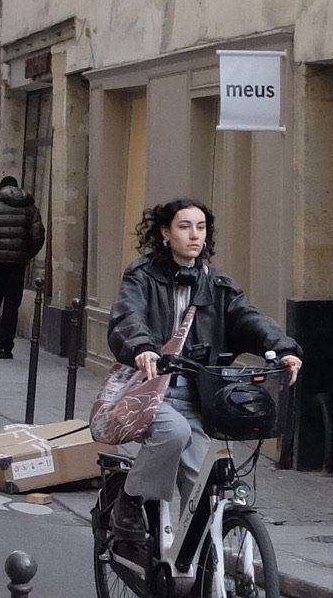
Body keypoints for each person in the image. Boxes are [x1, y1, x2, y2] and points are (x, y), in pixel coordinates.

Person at [107, 198, 303, 540]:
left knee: (204, 488)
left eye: (201, 227)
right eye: (184, 227)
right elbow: (128, 316)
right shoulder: (140, 276)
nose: (194, 235)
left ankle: (193, 572)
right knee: (174, 433)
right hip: (154, 393)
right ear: (166, 233)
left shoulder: (219, 285)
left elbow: (249, 319)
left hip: (201, 398)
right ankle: (130, 499)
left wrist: (283, 349)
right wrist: (143, 348)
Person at [0, 175, 45, 359]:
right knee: (12, 304)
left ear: (2, 188)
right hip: (18, 263)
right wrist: (26, 253)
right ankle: (6, 347)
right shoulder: (31, 209)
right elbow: (38, 237)